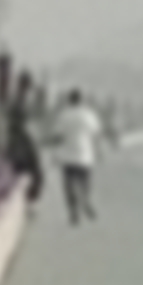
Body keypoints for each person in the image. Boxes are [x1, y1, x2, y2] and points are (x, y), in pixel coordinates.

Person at [52, 87, 104, 224]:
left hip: (68, 156)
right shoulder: (89, 115)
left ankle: (73, 211)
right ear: (82, 100)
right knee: (85, 182)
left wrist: (54, 151)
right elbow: (96, 135)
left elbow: (58, 136)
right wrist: (99, 151)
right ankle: (85, 200)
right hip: (85, 155)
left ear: (70, 100)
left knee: (68, 185)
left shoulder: (64, 115)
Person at [3, 73, 46, 209]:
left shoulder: (15, 99)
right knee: (36, 174)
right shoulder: (20, 101)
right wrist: (40, 99)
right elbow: (33, 115)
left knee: (19, 173)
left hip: (14, 141)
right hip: (22, 141)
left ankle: (24, 201)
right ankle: (28, 201)